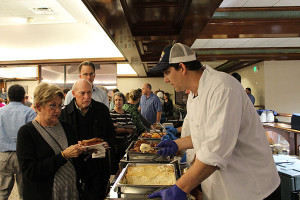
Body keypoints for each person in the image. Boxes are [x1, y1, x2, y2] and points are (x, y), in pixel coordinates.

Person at [148, 43, 280, 200]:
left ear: (182, 68)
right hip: (225, 189)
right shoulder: (193, 95)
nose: (165, 80)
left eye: (167, 72)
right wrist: (178, 144)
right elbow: (205, 135)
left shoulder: (223, 87)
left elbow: (215, 151)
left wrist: (180, 188)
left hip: (252, 189)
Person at [16, 83, 84, 200]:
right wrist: (63, 156)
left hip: (70, 191)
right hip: (44, 193)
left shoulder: (67, 127)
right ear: (38, 107)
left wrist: (84, 149)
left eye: (60, 106)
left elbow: (76, 162)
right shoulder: (27, 133)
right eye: (52, 106)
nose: (57, 110)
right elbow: (30, 172)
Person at [60, 79, 116, 200]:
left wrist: (107, 144)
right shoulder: (64, 114)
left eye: (89, 93)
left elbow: (111, 134)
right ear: (73, 94)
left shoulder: (102, 110)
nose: (87, 97)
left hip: (98, 165)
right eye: (82, 93)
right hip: (75, 166)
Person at [0, 84, 36, 200]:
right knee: (25, 192)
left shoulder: (0, 112)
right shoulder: (29, 113)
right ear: (24, 97)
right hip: (22, 156)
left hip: (2, 156)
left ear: (9, 97)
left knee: (2, 192)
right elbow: (33, 136)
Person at [110, 92, 136, 162]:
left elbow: (131, 126)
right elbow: (113, 129)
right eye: (116, 100)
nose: (118, 102)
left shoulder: (127, 114)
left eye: (119, 100)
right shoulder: (111, 114)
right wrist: (126, 130)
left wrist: (124, 128)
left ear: (123, 101)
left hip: (127, 144)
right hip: (117, 146)